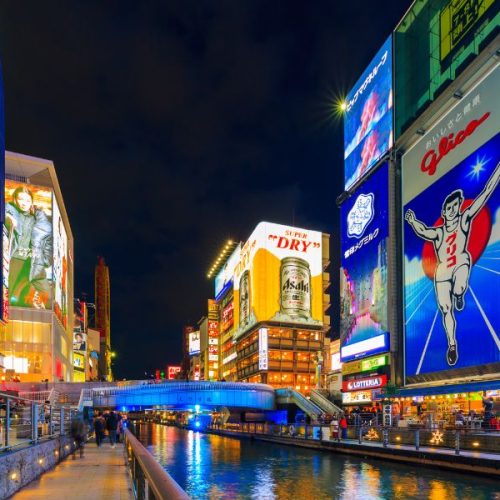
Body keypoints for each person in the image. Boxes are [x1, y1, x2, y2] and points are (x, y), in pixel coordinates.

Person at [405, 161, 500, 366]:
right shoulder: (439, 232)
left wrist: (497, 172)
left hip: (460, 262)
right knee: (445, 310)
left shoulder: (465, 219)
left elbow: (484, 194)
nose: (453, 210)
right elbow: (423, 230)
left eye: (456, 206)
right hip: (442, 271)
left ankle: (459, 294)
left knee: (463, 268)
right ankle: (452, 344)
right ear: (444, 210)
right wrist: (412, 221)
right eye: (450, 207)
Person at [5, 185, 52, 309]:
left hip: (33, 261)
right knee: (10, 290)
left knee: (46, 293)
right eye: (21, 199)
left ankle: (40, 311)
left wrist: (46, 260)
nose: (24, 203)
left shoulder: (37, 218)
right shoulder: (11, 212)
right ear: (15, 199)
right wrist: (8, 218)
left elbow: (47, 241)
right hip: (16, 258)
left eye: (27, 200)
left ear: (31, 202)